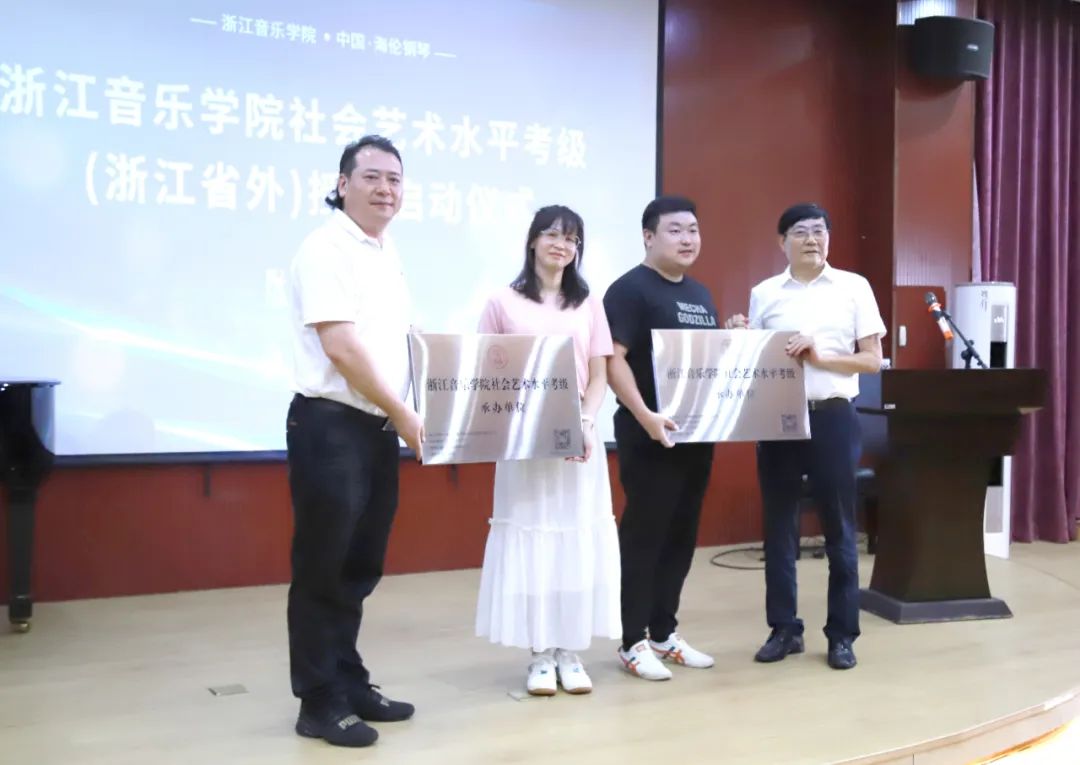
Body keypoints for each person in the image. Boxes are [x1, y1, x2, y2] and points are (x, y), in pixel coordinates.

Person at [285, 135, 423, 747]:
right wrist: (402, 411)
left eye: (395, 179)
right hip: (330, 426)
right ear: (343, 184)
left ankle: (347, 680)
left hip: (375, 428)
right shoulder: (325, 249)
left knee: (359, 566)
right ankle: (317, 701)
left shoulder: (385, 251)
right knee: (323, 567)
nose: (385, 189)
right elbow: (340, 347)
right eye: (372, 177)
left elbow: (393, 341)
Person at [725, 202, 885, 671]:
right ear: (782, 242)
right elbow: (756, 360)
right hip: (779, 419)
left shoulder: (854, 287)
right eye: (801, 231)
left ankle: (842, 635)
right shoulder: (765, 293)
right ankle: (784, 629)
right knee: (778, 528)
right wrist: (738, 336)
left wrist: (821, 357)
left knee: (839, 529)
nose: (812, 239)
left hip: (832, 415)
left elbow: (871, 360)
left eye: (820, 230)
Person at [475, 204, 621, 696]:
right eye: (554, 235)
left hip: (576, 436)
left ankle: (569, 650)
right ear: (533, 240)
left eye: (572, 239)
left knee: (573, 538)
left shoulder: (589, 303)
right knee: (534, 538)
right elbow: (485, 371)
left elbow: (598, 376)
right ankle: (540, 653)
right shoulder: (502, 301)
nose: (563, 245)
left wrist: (585, 422)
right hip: (522, 440)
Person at [603, 195, 718, 681]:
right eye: (675, 230)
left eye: (693, 229)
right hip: (648, 434)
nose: (687, 239)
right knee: (645, 536)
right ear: (648, 236)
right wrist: (645, 415)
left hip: (697, 435)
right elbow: (612, 359)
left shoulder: (701, 294)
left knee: (681, 535)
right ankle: (632, 641)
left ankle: (664, 633)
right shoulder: (629, 290)